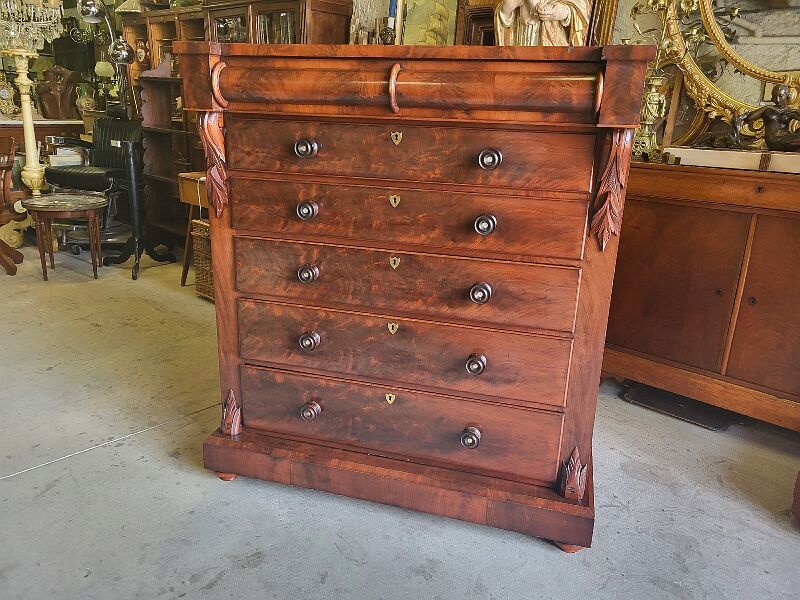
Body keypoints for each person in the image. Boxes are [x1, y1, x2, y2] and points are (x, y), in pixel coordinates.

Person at [494, 0, 593, 47]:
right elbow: (503, 11)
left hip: (553, 47)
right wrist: (505, 10)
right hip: (520, 42)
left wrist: (564, 12)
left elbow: (582, 8)